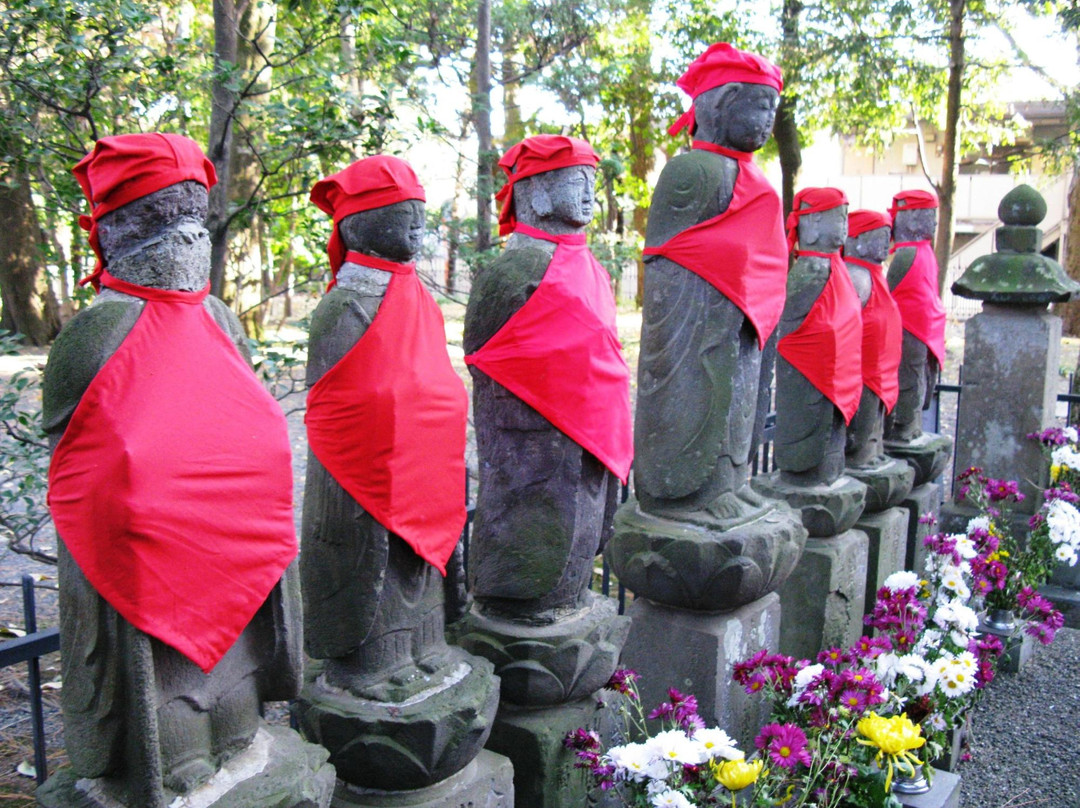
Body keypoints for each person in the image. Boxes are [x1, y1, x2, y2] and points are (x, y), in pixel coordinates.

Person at [44, 133, 307, 803]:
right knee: (174, 737)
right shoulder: (93, 334)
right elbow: (76, 474)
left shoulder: (219, 317)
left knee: (237, 713)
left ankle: (238, 729)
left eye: (196, 215)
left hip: (235, 553)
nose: (188, 236)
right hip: (145, 576)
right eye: (167, 216)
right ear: (119, 228)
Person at [463, 134, 632, 621]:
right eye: (576, 182)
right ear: (533, 193)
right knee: (535, 533)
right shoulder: (510, 273)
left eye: (592, 185)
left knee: (581, 529)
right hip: (532, 441)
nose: (588, 195)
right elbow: (486, 358)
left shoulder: (592, 268)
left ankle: (569, 593)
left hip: (591, 429)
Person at [634, 42, 787, 525]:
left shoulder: (752, 177)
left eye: (772, 111)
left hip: (740, 315)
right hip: (701, 320)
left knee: (740, 396)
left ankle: (728, 481)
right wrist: (724, 287)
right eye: (760, 107)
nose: (767, 123)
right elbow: (670, 263)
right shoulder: (692, 171)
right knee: (705, 388)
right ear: (722, 103)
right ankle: (688, 493)